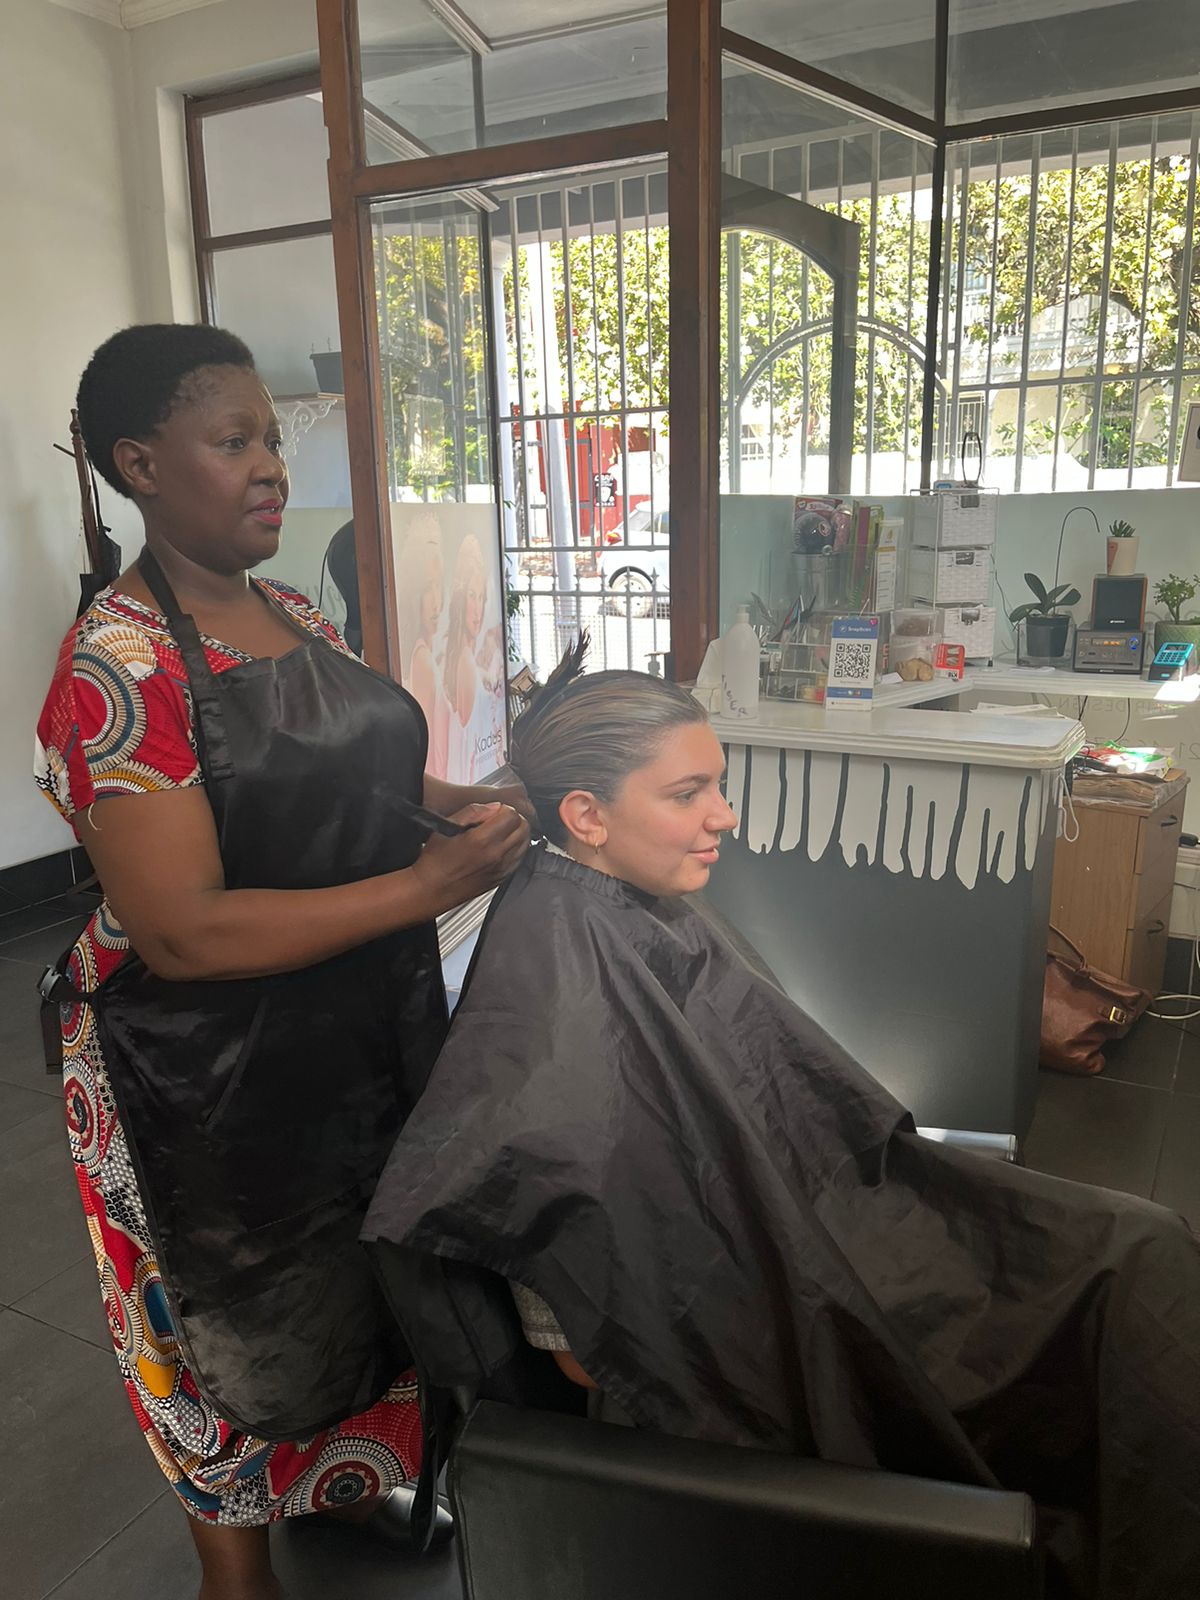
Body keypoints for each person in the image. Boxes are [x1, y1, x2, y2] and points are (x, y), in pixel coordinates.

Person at [364, 643, 1200, 1600]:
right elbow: (588, 1342)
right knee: (1124, 1274)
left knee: (1135, 1250)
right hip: (780, 1315)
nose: (724, 815)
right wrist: (800, 1299)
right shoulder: (557, 999)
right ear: (587, 817)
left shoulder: (624, 916)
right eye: (688, 794)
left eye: (719, 785)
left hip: (824, 1240)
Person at [33, 324, 530, 1600]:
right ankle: (234, 1573)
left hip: (338, 1027)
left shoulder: (290, 607)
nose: (271, 467)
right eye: (235, 440)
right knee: (226, 1314)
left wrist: (461, 797)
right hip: (186, 1068)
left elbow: (356, 763)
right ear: (141, 464)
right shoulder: (117, 671)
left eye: (274, 439)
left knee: (349, 1272)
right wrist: (423, 887)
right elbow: (184, 928)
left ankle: (345, 1487)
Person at [442, 532, 505, 783]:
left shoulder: (463, 657)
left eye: (481, 597)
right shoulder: (465, 663)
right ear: (459, 599)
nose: (478, 609)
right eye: (471, 596)